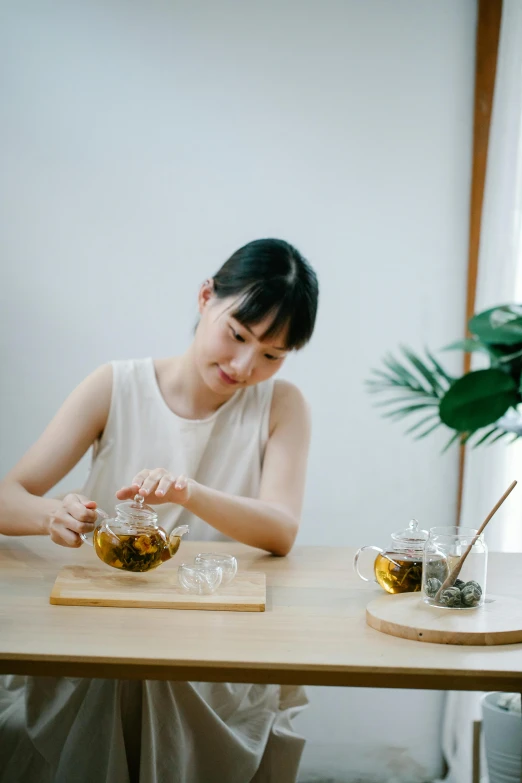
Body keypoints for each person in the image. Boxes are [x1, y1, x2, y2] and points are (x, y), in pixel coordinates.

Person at [0, 238, 319, 783]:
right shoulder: (116, 385)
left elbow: (281, 531)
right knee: (120, 681)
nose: (244, 366)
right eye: (237, 335)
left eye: (271, 355)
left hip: (217, 637)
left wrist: (189, 492)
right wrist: (53, 514)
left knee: (168, 684)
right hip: (104, 627)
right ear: (204, 298)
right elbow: (10, 496)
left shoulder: (281, 405)